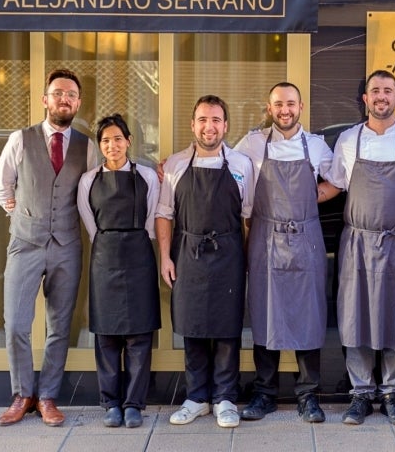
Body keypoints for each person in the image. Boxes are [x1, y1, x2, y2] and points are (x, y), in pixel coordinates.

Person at [0, 68, 98, 426]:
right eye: (57, 93)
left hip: (67, 244)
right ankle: (22, 394)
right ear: (45, 99)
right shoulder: (20, 138)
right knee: (16, 323)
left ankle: (48, 397)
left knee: (59, 326)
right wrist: (20, 212)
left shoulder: (88, 146)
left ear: (78, 102)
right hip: (25, 243)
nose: (64, 99)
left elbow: (97, 190)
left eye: (70, 94)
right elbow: (0, 186)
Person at [234, 82, 338, 424]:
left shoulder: (318, 146)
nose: (285, 110)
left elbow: (339, 180)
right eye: (278, 104)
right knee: (266, 313)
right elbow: (229, 169)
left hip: (306, 237)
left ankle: (308, 394)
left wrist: (313, 196)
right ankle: (264, 393)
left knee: (309, 314)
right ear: (269, 108)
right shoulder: (252, 143)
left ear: (301, 106)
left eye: (290, 104)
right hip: (265, 236)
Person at [328, 70, 395, 426]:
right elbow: (333, 185)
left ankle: (393, 392)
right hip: (357, 241)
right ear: (364, 99)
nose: (381, 96)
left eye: (388, 90)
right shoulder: (348, 140)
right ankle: (361, 393)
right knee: (355, 315)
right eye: (375, 91)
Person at [156, 95, 254, 429]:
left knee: (228, 329)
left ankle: (226, 398)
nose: (209, 126)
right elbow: (164, 214)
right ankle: (196, 397)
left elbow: (248, 216)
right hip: (188, 250)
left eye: (215, 120)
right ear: (192, 124)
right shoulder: (175, 166)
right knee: (192, 326)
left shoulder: (241, 165)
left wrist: (248, 260)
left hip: (229, 252)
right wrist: (165, 257)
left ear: (226, 126)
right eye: (202, 119)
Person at [77, 114, 161, 428]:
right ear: (100, 146)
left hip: (140, 254)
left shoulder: (148, 177)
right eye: (105, 140)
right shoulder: (88, 180)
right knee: (107, 335)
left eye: (117, 139)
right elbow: (90, 224)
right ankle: (110, 403)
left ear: (128, 141)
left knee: (140, 335)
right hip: (104, 256)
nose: (112, 145)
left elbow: (152, 220)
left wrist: (136, 238)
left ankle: (134, 404)